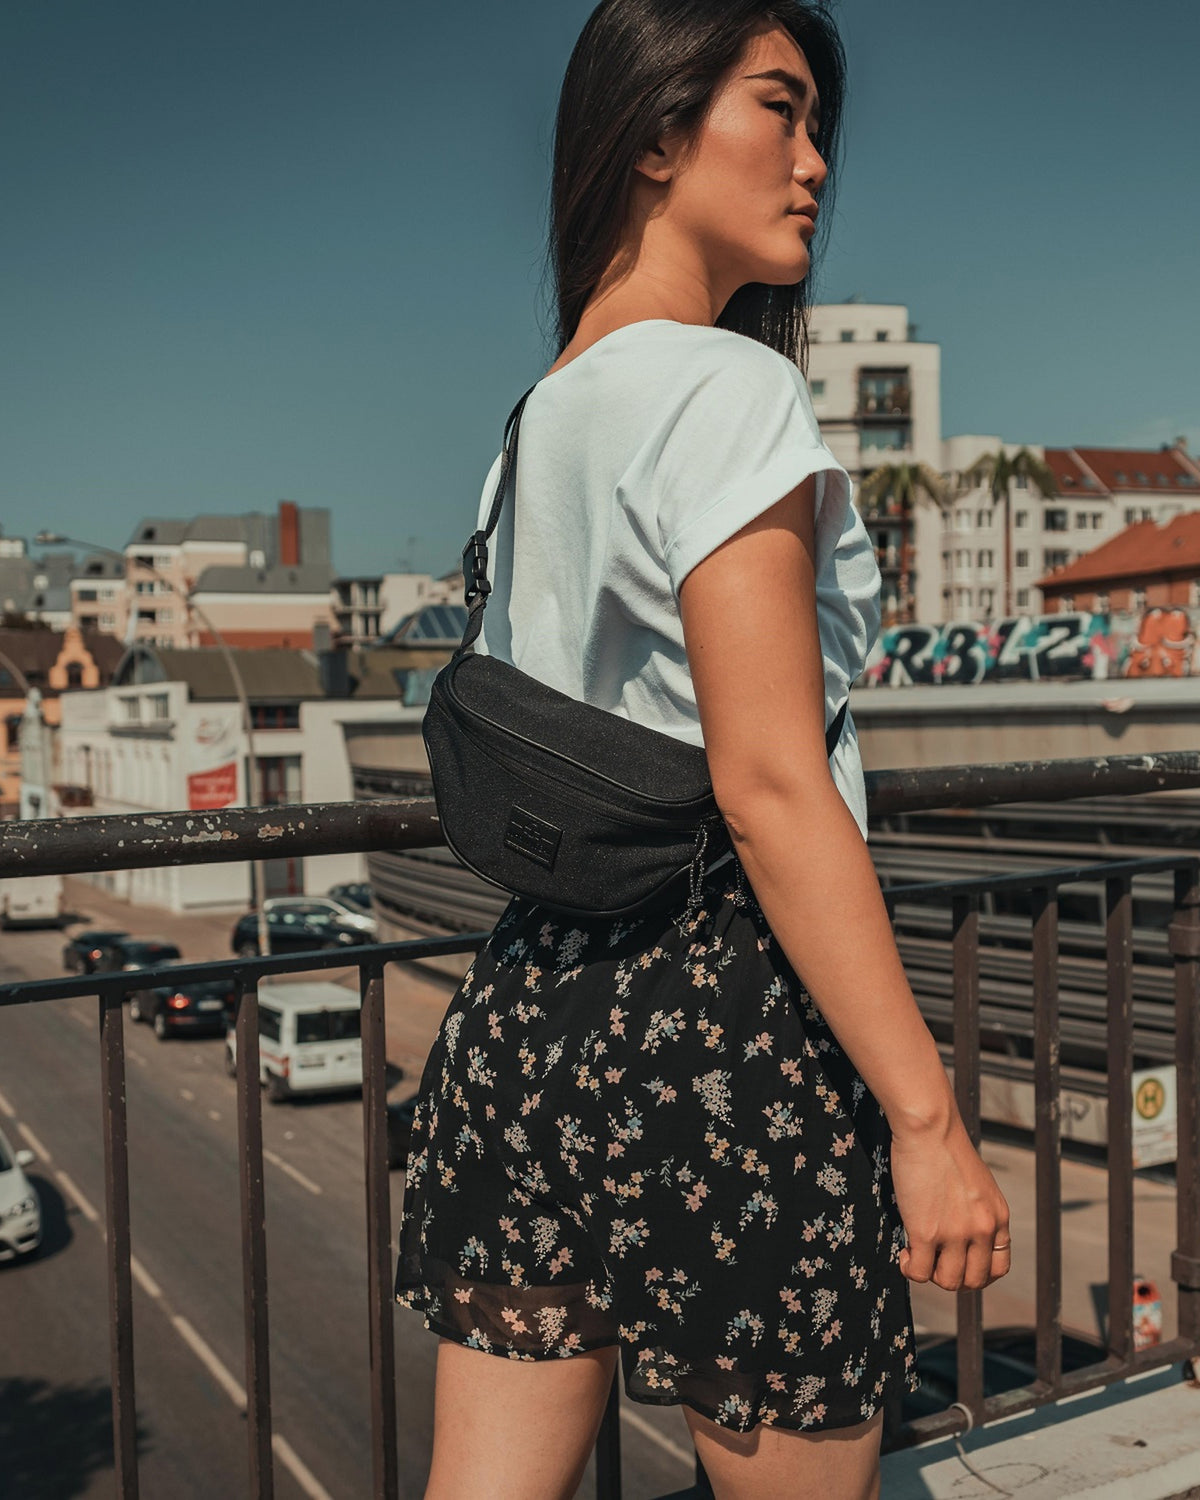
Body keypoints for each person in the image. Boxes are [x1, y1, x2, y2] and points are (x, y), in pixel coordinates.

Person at [395, 3, 1011, 1496]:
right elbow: (771, 779)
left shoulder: (534, 421)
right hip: (731, 1027)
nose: (815, 163)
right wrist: (926, 1121)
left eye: (821, 128)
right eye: (782, 111)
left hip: (534, 1010)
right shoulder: (730, 388)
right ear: (659, 132)